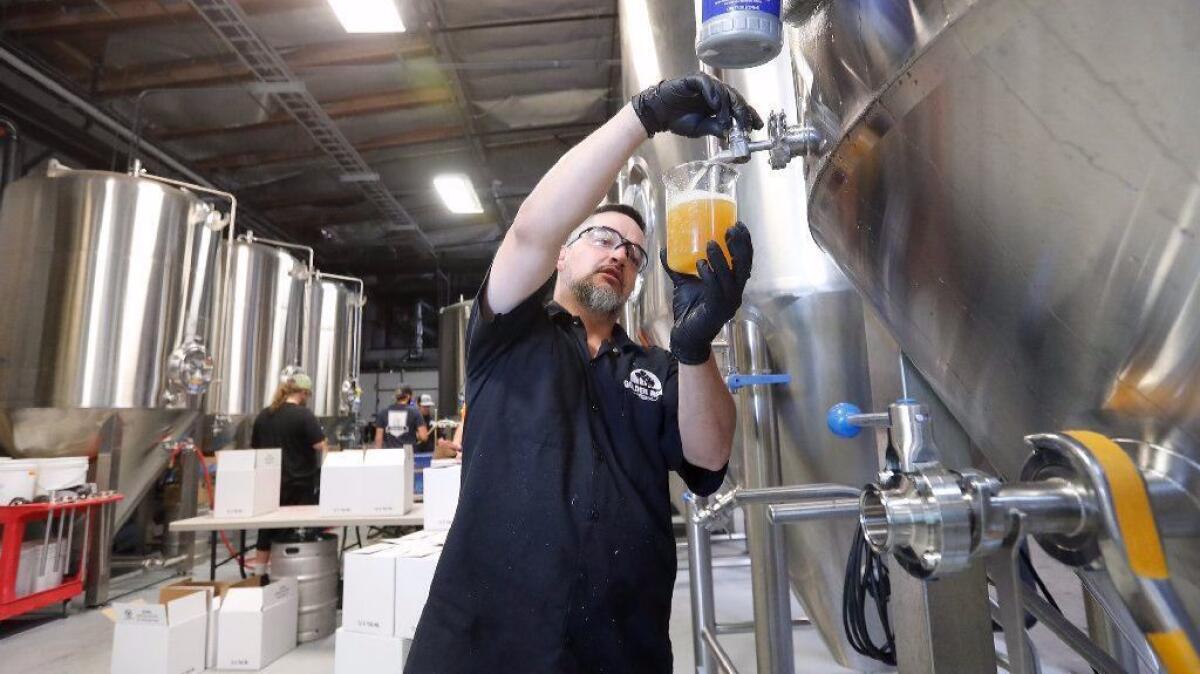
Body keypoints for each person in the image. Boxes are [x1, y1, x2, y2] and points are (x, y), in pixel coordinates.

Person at [406, 73, 760, 673]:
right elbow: (529, 231)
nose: (619, 254)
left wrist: (696, 347)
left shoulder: (658, 368)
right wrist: (642, 116)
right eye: (601, 237)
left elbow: (708, 459)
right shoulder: (509, 331)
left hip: (620, 650)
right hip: (484, 646)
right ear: (563, 253)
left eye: (634, 253)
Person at [248, 372, 327, 573]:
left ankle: (260, 575)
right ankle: (294, 571)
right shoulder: (304, 415)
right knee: (299, 530)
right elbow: (321, 445)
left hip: (269, 484)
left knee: (266, 530)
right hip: (300, 483)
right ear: (304, 393)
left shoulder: (264, 415)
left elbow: (255, 448)